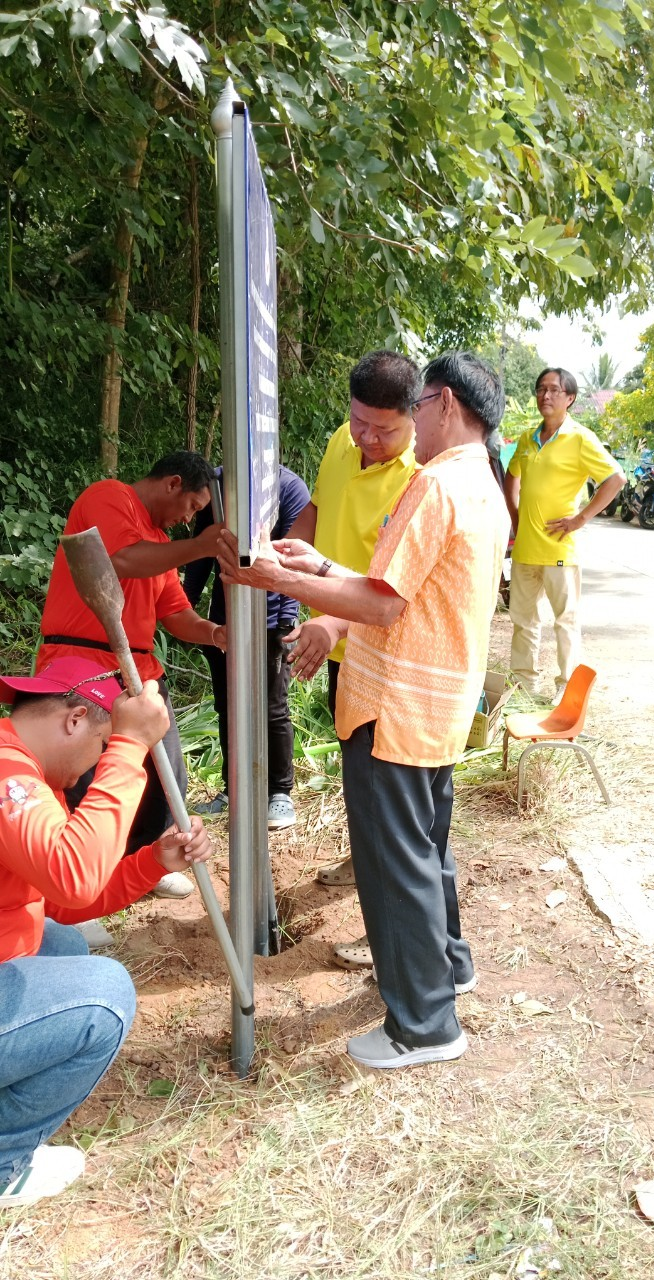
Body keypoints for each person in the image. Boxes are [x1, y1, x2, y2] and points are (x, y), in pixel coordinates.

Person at [218, 351, 510, 1070]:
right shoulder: (484, 483)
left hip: (397, 701)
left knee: (394, 861)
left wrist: (277, 576)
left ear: (441, 405)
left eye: (412, 413)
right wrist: (317, 567)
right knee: (424, 849)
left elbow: (384, 603)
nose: (389, 432)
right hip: (436, 699)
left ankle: (423, 1026)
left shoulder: (436, 484)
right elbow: (398, 583)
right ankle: (447, 967)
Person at [0, 657, 212, 1207]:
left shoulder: (23, 770)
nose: (96, 766)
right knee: (105, 998)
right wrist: (129, 747)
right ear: (74, 720)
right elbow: (74, 877)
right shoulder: (7, 775)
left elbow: (62, 902)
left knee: (59, 944)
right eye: (98, 746)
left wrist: (153, 861)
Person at [37, 451, 226, 903]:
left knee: (165, 773)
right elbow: (121, 559)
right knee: (81, 775)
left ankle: (147, 861)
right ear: (172, 483)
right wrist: (202, 545)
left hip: (138, 673)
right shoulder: (110, 496)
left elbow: (177, 613)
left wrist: (216, 633)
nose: (189, 520)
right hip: (80, 665)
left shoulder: (159, 542)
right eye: (193, 508)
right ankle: (82, 886)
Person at [283, 350, 421, 967]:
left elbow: (389, 584)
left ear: (414, 415)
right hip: (337, 637)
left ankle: (392, 930)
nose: (367, 438)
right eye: (359, 421)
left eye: (383, 429)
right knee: (360, 776)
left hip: (383, 653)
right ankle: (363, 864)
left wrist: (331, 618)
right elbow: (315, 508)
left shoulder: (421, 478)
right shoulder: (344, 440)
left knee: (387, 788)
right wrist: (291, 566)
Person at [184, 464, 310, 829]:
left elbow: (293, 562)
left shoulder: (289, 489)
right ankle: (234, 788)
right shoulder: (217, 487)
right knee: (228, 706)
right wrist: (184, 607)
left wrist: (286, 623)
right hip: (226, 621)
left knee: (273, 707)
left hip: (272, 621)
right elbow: (201, 553)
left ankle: (280, 793)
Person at [504, 368, 625, 702]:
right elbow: (510, 477)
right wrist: (515, 519)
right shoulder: (528, 439)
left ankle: (566, 686)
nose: (546, 395)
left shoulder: (581, 437)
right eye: (541, 389)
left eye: (555, 390)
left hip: (560, 549)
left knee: (565, 622)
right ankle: (523, 686)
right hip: (526, 548)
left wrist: (580, 519)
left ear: (570, 398)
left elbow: (615, 479)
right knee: (523, 622)